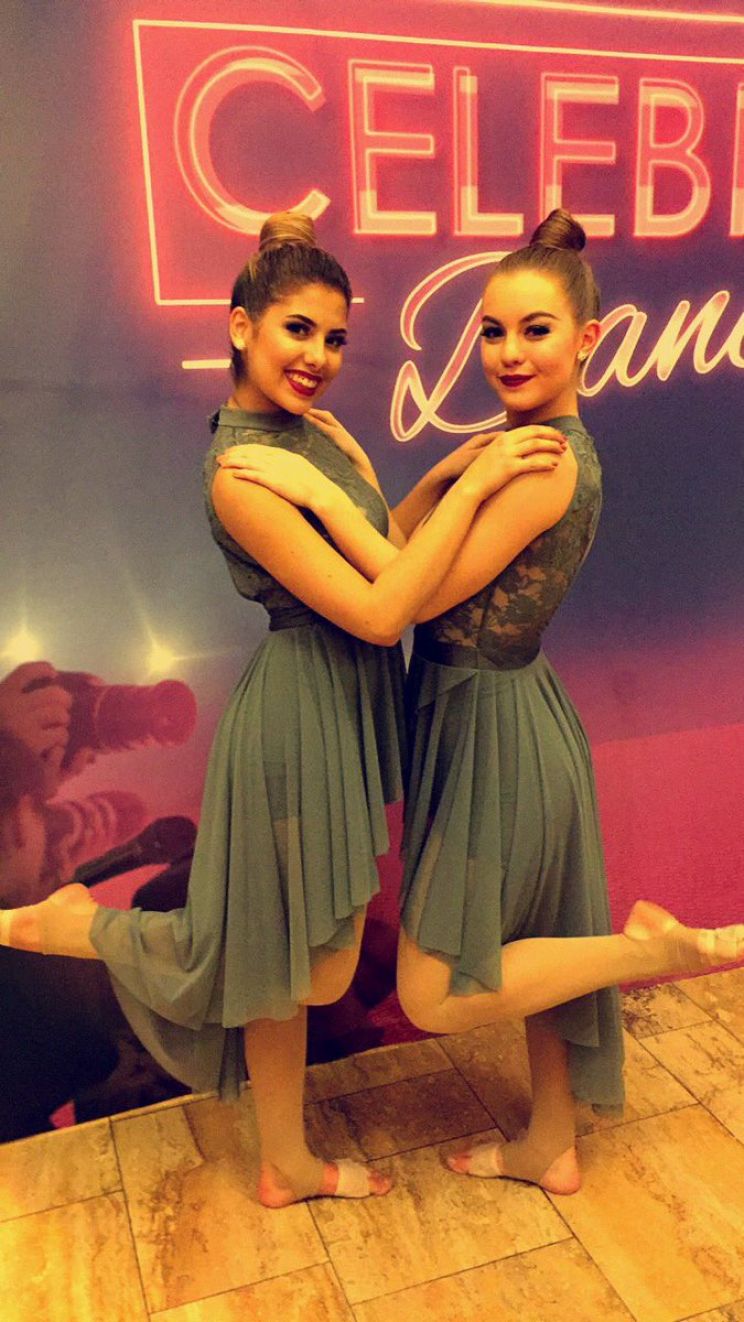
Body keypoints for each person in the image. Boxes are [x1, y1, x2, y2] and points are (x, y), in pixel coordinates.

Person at [0, 212, 566, 1206]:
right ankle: (87, 931)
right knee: (281, 955)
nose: (318, 356)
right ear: (240, 326)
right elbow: (384, 606)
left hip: (346, 703)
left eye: (334, 337)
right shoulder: (244, 471)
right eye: (297, 329)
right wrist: (473, 481)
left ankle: (281, 1159)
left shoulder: (310, 437)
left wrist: (433, 478)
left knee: (308, 961)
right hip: (300, 715)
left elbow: (376, 545)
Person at [211, 209, 744, 1197]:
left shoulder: (543, 462)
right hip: (480, 707)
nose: (508, 351)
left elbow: (408, 597)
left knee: (435, 990)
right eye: (493, 330)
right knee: (531, 934)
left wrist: (327, 495)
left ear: (587, 340)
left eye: (535, 329)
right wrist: (434, 472)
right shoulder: (518, 445)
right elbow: (412, 558)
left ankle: (641, 953)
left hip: (493, 720)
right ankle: (552, 1142)